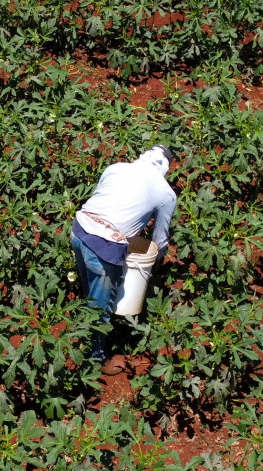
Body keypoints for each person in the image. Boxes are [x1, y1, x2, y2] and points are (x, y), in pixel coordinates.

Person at [70, 145, 177, 375]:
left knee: (90, 290)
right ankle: (95, 360)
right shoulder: (166, 194)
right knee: (99, 309)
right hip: (105, 247)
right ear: (166, 167)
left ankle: (82, 321)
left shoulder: (116, 168)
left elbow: (101, 201)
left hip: (78, 231)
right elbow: (160, 239)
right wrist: (155, 262)